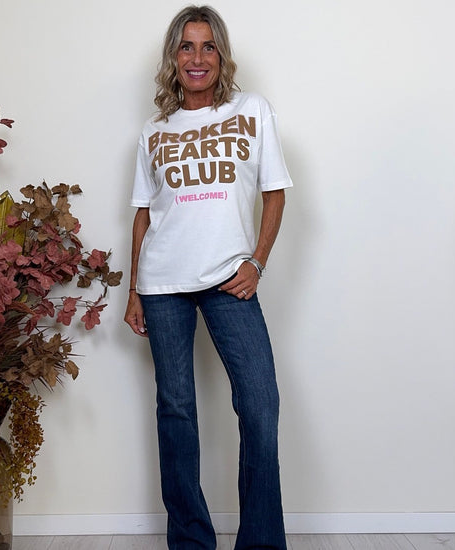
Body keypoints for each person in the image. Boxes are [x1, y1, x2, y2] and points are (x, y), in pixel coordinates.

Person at [124, 5, 292, 549]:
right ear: (173, 59)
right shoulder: (154, 130)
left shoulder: (251, 110)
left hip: (229, 279)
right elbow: (144, 214)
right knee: (176, 410)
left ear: (222, 56)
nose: (197, 58)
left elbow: (274, 194)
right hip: (162, 283)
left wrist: (256, 261)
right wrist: (133, 290)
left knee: (260, 404)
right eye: (186, 47)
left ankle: (260, 541)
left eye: (208, 46)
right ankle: (191, 541)